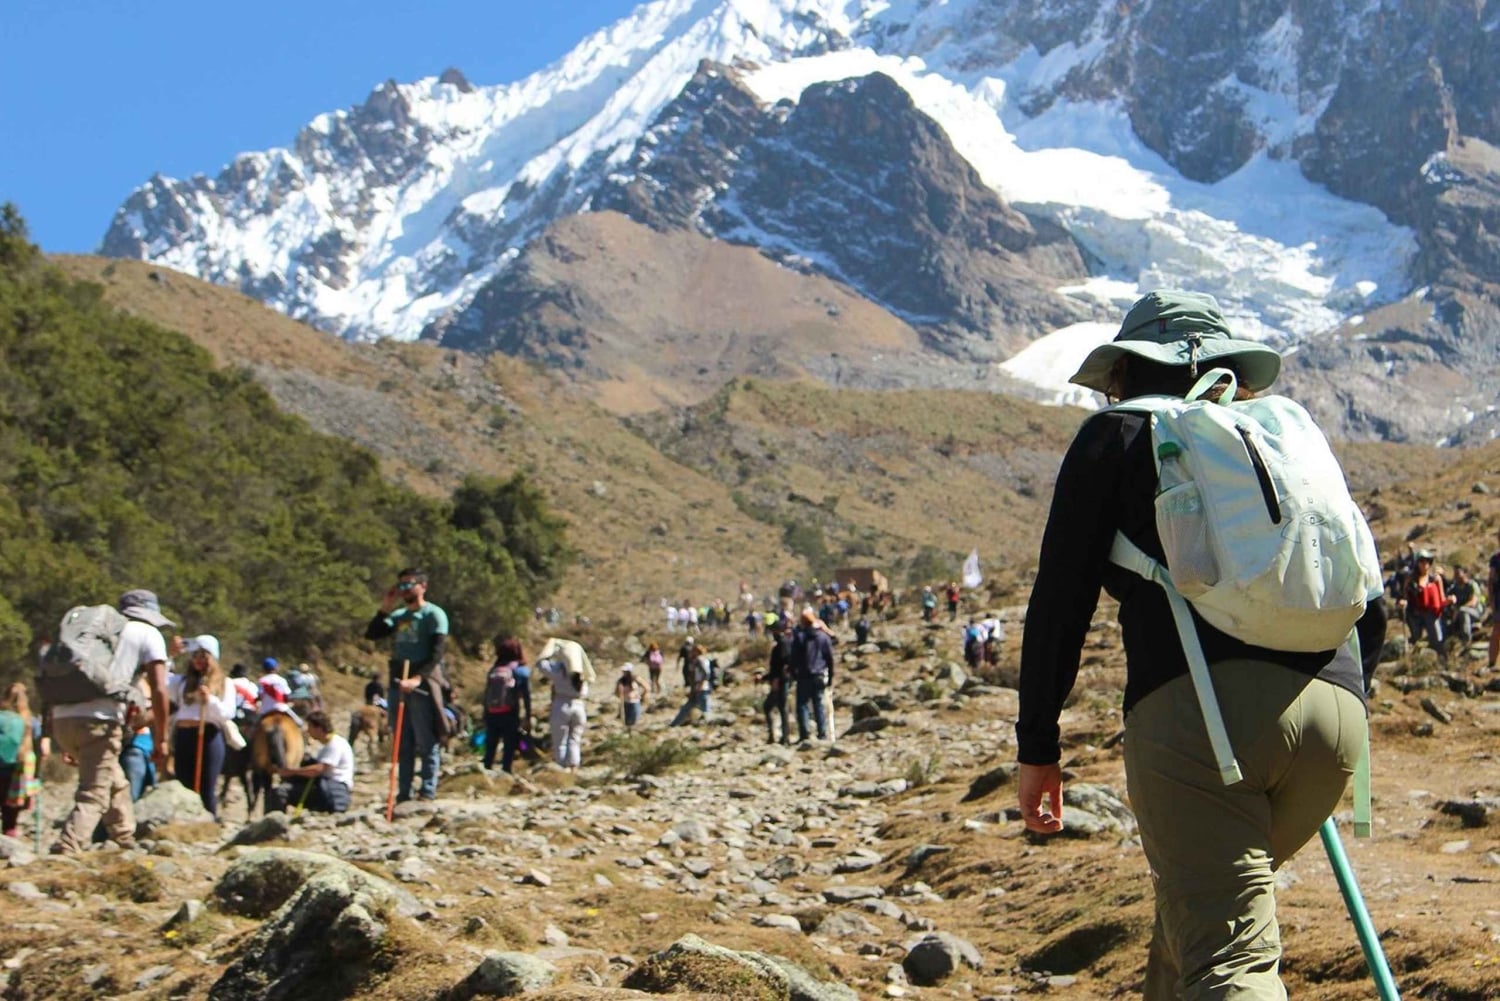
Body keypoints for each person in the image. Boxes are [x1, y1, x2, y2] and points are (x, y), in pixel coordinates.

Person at [1016, 289, 1387, 1000]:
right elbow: (1368, 604)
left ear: (1125, 372)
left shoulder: (1117, 435)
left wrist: (1038, 747)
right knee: (1199, 916)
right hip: (1337, 720)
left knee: (1230, 959)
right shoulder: (1285, 444)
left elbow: (1061, 599)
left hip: (1203, 725)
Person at [48, 589, 172, 853]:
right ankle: (67, 848)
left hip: (62, 718)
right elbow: (160, 689)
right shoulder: (148, 634)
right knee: (94, 793)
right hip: (101, 721)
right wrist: (161, 738)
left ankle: (124, 839)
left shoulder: (93, 635)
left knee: (115, 781)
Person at [364, 567, 449, 802]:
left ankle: (427, 790)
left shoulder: (434, 615)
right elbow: (372, 633)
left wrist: (417, 678)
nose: (404, 590)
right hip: (397, 680)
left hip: (420, 682)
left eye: (409, 584)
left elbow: (437, 652)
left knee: (425, 737)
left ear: (423, 586)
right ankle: (403, 792)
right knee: (402, 739)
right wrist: (385, 607)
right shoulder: (399, 616)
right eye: (401, 585)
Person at [167, 635, 236, 820]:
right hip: (184, 735)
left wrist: (210, 701)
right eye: (195, 655)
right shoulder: (181, 682)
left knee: (206, 785)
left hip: (209, 736)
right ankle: (185, 823)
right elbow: (163, 682)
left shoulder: (225, 684)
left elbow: (228, 713)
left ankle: (208, 824)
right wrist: (171, 656)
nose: (198, 660)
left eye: (203, 656)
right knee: (183, 783)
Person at [266, 710, 353, 814]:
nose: (308, 731)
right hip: (324, 787)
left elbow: (319, 770)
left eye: (310, 727)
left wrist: (292, 772)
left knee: (281, 792)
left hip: (332, 789)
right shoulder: (326, 747)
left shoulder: (336, 744)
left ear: (319, 728)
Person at [482, 636, 528, 773]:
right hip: (510, 713)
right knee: (509, 745)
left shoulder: (493, 670)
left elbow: (486, 694)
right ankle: (506, 771)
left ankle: (486, 769)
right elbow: (526, 697)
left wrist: (485, 713)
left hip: (492, 713)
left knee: (491, 744)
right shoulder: (519, 671)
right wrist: (528, 715)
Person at [536, 653, 587, 772]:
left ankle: (562, 767)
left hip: (562, 704)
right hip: (579, 706)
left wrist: (547, 652)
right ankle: (574, 766)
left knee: (560, 740)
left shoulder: (559, 672)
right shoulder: (583, 675)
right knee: (575, 739)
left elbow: (541, 665)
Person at [1, 683, 39, 839]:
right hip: (19, 767)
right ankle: (9, 833)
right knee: (11, 804)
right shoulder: (31, 721)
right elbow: (41, 748)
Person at [790, 607, 834, 742]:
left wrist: (793, 673)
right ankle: (822, 733)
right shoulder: (823, 637)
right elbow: (829, 658)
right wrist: (831, 676)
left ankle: (805, 734)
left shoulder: (800, 638)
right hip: (819, 675)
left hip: (804, 676)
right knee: (818, 704)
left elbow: (794, 658)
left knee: (802, 705)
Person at [1400, 550, 1448, 664]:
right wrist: (1403, 602)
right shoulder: (1411, 579)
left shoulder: (1435, 579)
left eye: (1426, 562)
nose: (1424, 564)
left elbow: (1442, 598)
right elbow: (1405, 595)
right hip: (1415, 613)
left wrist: (1450, 601)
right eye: (1421, 561)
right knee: (1417, 639)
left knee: (1437, 639)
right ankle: (1415, 663)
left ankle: (1441, 662)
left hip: (1431, 613)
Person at [757, 619, 793, 744]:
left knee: (776, 708)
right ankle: (780, 736)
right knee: (777, 708)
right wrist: (766, 677)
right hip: (779, 680)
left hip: (780, 682)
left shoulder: (782, 644)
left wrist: (776, 680)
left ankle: (782, 737)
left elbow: (782, 665)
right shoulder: (783, 644)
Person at [615, 664, 648, 730]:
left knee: (634, 720)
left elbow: (646, 687)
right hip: (625, 703)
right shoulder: (621, 681)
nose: (624, 672)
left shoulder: (636, 679)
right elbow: (617, 693)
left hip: (635, 702)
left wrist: (641, 696)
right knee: (626, 722)